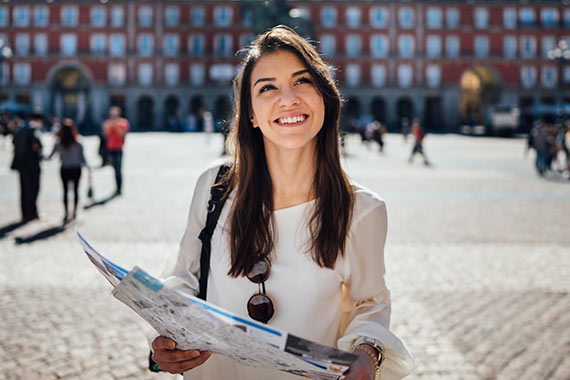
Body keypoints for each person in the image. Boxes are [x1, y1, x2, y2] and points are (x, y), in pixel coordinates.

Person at [150, 26, 413, 380]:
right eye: (267, 87)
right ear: (252, 115)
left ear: (325, 97)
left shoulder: (361, 211)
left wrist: (366, 352)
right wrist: (167, 336)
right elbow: (184, 276)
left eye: (302, 82)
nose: (287, 98)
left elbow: (370, 303)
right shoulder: (215, 187)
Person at [47, 118, 88, 222]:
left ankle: (66, 213)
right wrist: (87, 166)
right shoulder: (78, 141)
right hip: (76, 168)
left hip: (65, 168)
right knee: (75, 191)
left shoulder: (59, 142)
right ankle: (74, 212)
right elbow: (83, 157)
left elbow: (51, 156)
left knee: (65, 191)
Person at [10, 113, 43, 222]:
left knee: (24, 190)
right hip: (32, 164)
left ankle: (25, 214)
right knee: (34, 189)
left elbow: (14, 143)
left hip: (21, 164)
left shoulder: (19, 130)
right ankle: (33, 212)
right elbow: (36, 145)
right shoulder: (33, 130)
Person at [103, 106, 129, 195]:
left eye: (115, 114)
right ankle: (116, 187)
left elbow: (121, 134)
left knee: (118, 169)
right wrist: (110, 125)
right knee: (114, 168)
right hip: (110, 148)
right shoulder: (108, 122)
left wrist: (115, 125)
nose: (113, 116)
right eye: (112, 114)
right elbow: (105, 134)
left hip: (118, 148)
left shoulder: (123, 122)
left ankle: (119, 188)